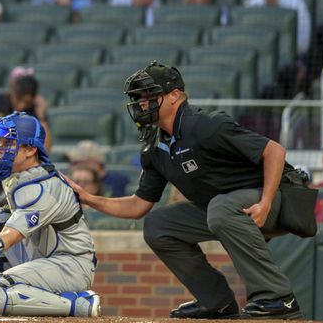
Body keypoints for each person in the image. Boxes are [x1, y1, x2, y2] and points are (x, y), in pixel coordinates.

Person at [66, 61, 303, 319]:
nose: (142, 103)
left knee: (220, 208)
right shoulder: (155, 146)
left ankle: (278, 298)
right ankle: (216, 302)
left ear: (175, 96)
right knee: (158, 224)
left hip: (281, 198)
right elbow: (138, 206)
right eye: (138, 98)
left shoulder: (206, 125)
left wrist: (266, 202)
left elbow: (274, 151)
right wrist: (88, 198)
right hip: (227, 210)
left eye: (149, 95)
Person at [0, 112, 101, 317]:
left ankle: (80, 304)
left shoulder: (43, 188)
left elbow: (10, 236)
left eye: (8, 143)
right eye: (0, 142)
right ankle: (9, 292)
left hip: (69, 265)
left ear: (31, 149)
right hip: (42, 256)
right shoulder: (21, 176)